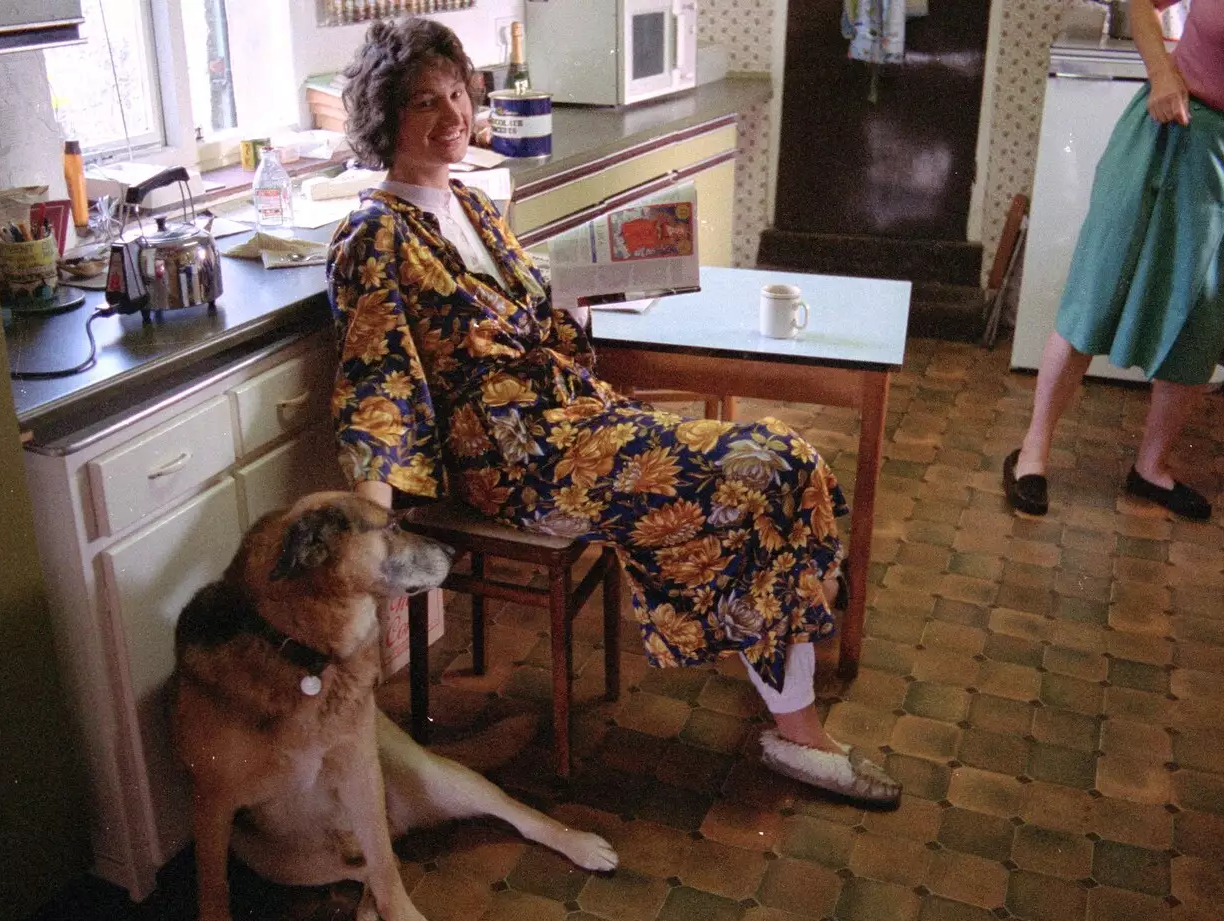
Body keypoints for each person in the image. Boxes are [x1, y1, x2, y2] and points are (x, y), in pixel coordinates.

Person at [326, 17, 899, 805]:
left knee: (786, 458)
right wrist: (371, 529)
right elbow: (377, 383)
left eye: (458, 92)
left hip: (571, 422)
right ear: (385, 117)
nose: (453, 114)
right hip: (516, 461)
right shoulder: (373, 234)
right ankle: (796, 730)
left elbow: (533, 311)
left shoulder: (470, 204)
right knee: (761, 469)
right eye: (426, 100)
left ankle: (789, 704)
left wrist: (615, 279)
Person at [1005, 0, 1224, 521]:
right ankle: (1032, 453)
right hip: (1164, 130)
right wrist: (1162, 72)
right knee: (1097, 289)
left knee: (1202, 316)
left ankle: (1152, 468)